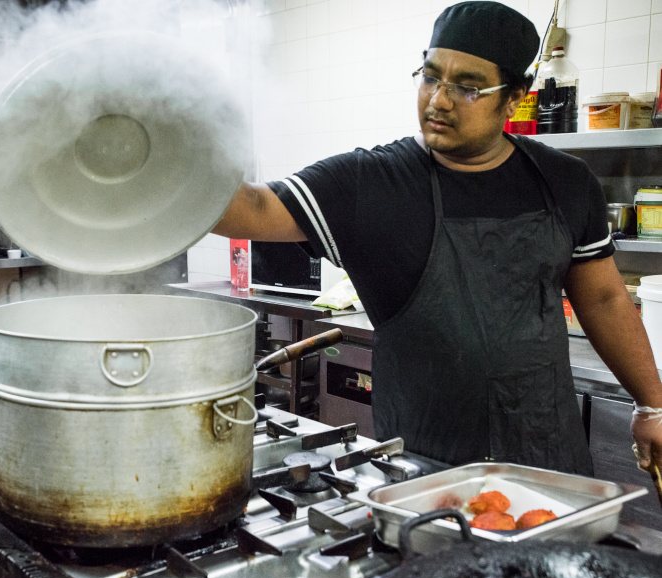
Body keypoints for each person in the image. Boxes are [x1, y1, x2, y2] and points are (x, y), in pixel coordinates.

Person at [213, 1, 662, 476]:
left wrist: (652, 405)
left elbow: (605, 300)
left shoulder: (565, 181)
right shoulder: (374, 183)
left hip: (548, 463)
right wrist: (169, 144)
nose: (438, 100)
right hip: (425, 473)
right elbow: (251, 209)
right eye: (430, 77)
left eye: (467, 87)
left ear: (515, 97)